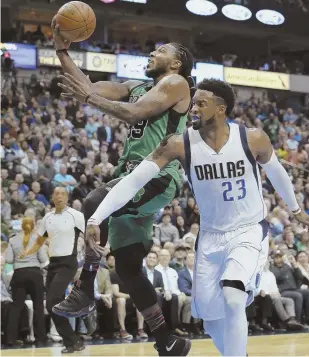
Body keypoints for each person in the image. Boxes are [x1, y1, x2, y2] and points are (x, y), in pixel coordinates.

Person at [84, 78, 309, 356]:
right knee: (212, 323)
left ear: (220, 109)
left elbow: (276, 172)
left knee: (232, 295)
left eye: (201, 104)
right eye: (193, 103)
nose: (194, 108)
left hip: (248, 230)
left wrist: (295, 208)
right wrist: (96, 218)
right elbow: (132, 181)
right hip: (211, 236)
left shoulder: (251, 138)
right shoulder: (179, 144)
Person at [51, 19, 193, 356]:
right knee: (129, 268)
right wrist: (62, 49)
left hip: (157, 175)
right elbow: (88, 86)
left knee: (94, 202)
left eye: (159, 51)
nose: (151, 53)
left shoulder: (177, 83)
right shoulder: (138, 85)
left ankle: (84, 288)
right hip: (129, 177)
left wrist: (90, 98)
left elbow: (135, 114)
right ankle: (167, 341)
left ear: (175, 63)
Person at [20, 187, 86, 353]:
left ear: (67, 197)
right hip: (53, 264)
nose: (59, 196)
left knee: (52, 301)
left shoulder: (76, 215)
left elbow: (89, 236)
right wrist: (27, 252)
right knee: (53, 306)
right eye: (56, 193)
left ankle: (72, 340)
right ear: (52, 197)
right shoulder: (47, 218)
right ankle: (73, 341)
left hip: (68, 263)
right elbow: (39, 241)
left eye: (62, 193)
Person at [4, 216, 48, 346]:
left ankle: (10, 339)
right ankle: (41, 338)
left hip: (19, 275)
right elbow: (42, 258)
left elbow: (9, 260)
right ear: (33, 225)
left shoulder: (13, 240)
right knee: (38, 307)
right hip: (35, 274)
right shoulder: (38, 239)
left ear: (21, 225)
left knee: (16, 307)